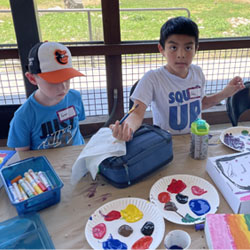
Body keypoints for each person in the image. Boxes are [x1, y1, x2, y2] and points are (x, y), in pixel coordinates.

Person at [111, 16, 245, 141]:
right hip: (166, 142)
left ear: (196, 49)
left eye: (188, 47)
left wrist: (226, 92)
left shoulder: (197, 73)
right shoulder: (153, 78)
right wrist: (127, 129)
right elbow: (137, 113)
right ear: (161, 49)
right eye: (173, 47)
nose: (181, 55)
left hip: (196, 139)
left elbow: (201, 103)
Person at [7, 41, 86, 151]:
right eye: (54, 81)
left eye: (67, 78)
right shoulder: (23, 117)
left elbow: (76, 129)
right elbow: (22, 154)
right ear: (32, 78)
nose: (63, 86)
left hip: (76, 158)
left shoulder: (75, 97)